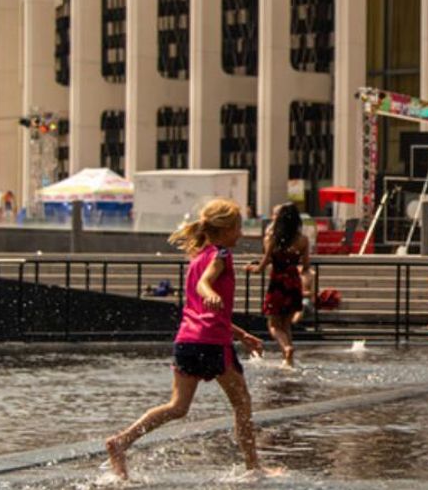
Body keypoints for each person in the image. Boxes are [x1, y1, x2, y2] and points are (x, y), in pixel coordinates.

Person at [105, 199, 265, 480]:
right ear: (225, 229)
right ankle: (254, 469)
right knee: (242, 404)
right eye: (238, 227)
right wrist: (210, 292)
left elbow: (205, 312)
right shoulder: (221, 254)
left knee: (177, 407)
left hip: (188, 340)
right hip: (213, 344)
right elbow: (206, 284)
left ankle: (121, 441)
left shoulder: (195, 258)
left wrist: (241, 335)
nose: (241, 234)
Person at [246, 203, 310, 368]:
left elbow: (263, 264)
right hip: (293, 282)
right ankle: (288, 360)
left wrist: (250, 268)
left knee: (273, 325)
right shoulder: (302, 240)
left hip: (278, 282)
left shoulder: (272, 238)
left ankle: (287, 348)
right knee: (286, 324)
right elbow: (306, 266)